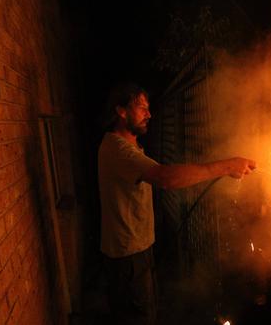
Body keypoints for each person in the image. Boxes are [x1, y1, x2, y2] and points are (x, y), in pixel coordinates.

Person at [97, 83, 256, 325]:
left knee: (144, 312)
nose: (149, 114)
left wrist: (224, 170)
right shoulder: (118, 150)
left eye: (148, 108)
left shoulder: (129, 146)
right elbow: (166, 178)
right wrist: (227, 165)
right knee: (139, 318)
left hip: (134, 253)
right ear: (121, 111)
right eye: (141, 108)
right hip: (128, 259)